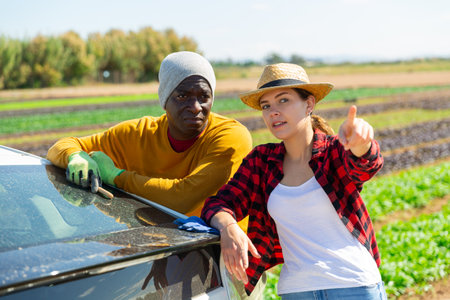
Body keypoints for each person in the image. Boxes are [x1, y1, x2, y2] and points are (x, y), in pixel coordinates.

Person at [201, 63, 387, 299]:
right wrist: (228, 227)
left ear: (309, 104)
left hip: (354, 285)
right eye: (266, 106)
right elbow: (219, 203)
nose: (273, 112)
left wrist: (361, 142)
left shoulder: (333, 153)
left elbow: (366, 164)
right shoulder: (262, 161)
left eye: (283, 100)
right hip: (296, 290)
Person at [47, 51, 252, 218]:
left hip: (215, 257)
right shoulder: (139, 134)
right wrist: (75, 155)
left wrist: (116, 176)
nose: (195, 107)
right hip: (154, 249)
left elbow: (183, 198)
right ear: (165, 99)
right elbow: (62, 146)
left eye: (204, 96)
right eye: (183, 96)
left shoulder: (230, 136)